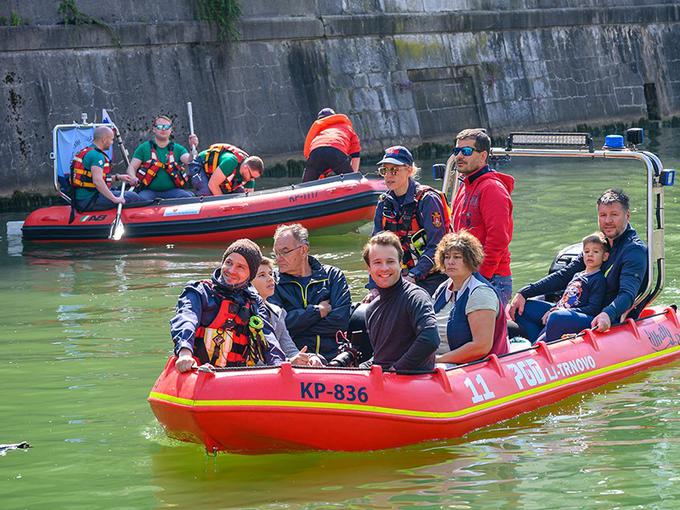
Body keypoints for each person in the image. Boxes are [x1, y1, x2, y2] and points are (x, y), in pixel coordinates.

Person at [509, 189, 648, 337]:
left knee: (558, 317)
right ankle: (536, 347)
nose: (608, 221)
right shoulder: (601, 243)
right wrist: (525, 292)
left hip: (601, 317)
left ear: (627, 216)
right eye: (603, 215)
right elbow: (565, 275)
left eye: (614, 215)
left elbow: (627, 294)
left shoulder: (634, 250)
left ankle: (541, 347)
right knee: (523, 308)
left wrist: (608, 313)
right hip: (578, 308)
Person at [171, 239, 285, 372]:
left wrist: (280, 365)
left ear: (250, 275)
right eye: (228, 263)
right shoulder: (199, 291)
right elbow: (186, 318)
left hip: (234, 378)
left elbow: (268, 337)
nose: (231, 270)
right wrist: (185, 352)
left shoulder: (254, 302)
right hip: (196, 371)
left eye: (240, 267)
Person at [371, 145, 450, 296]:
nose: (388, 175)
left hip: (432, 278)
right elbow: (375, 250)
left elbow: (438, 245)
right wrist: (374, 287)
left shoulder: (427, 200)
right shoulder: (383, 203)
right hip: (398, 277)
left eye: (394, 170)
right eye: (384, 171)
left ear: (409, 170)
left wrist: (413, 275)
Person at [269, 223, 352, 361]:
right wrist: (317, 312)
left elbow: (340, 321)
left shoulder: (333, 276)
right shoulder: (272, 282)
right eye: (276, 253)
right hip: (295, 359)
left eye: (284, 251)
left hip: (334, 359)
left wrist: (297, 323)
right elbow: (278, 326)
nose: (278, 258)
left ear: (303, 250)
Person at [451, 128, 514, 304]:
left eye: (467, 151)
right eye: (457, 151)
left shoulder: (492, 189)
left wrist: (480, 277)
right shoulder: (465, 186)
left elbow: (499, 239)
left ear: (483, 155)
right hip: (466, 276)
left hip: (491, 279)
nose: (459, 156)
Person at [363, 231, 439, 372]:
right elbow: (382, 356)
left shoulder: (416, 297)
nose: (384, 268)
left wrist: (396, 369)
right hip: (384, 382)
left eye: (390, 261)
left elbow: (430, 339)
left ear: (400, 264)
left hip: (414, 384)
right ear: (369, 269)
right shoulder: (371, 309)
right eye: (377, 262)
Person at [512, 233, 609, 343]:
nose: (590, 255)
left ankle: (539, 348)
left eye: (595, 252)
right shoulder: (578, 275)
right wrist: (550, 309)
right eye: (586, 252)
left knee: (556, 317)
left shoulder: (598, 280)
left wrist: (561, 311)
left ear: (605, 256)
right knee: (524, 308)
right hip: (559, 310)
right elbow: (564, 298)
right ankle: (529, 345)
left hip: (573, 315)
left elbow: (593, 309)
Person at [432, 231, 509, 364]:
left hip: (469, 367)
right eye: (446, 256)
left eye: (457, 257)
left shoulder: (480, 293)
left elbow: (481, 347)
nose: (450, 262)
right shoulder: (443, 288)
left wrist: (438, 360)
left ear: (470, 259)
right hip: (438, 359)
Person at [251, 257, 324, 366]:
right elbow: (255, 361)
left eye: (270, 274)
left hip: (280, 368)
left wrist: (307, 358)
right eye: (262, 275)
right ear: (248, 282)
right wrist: (289, 362)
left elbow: (290, 349)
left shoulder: (278, 312)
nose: (270, 279)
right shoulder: (245, 312)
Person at [126, 114, 199, 200]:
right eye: (160, 126)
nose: (163, 129)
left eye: (166, 127)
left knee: (187, 197)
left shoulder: (178, 149)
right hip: (149, 191)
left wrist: (193, 148)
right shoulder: (143, 148)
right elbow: (132, 168)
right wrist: (133, 177)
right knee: (140, 200)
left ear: (171, 129)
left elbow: (189, 160)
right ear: (154, 129)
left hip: (173, 191)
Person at [71, 126, 142, 211]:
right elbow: (97, 181)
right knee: (133, 196)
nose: (112, 142)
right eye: (111, 139)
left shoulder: (88, 151)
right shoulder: (97, 156)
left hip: (82, 198)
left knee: (125, 193)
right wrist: (114, 199)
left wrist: (117, 177)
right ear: (104, 140)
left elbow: (92, 178)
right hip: (90, 200)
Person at [301, 108, 361, 182]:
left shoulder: (317, 131)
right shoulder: (347, 127)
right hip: (336, 152)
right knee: (351, 181)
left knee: (306, 186)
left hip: (316, 152)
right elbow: (355, 154)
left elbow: (308, 153)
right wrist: (354, 177)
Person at [188, 143, 264, 196]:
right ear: (245, 167)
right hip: (200, 165)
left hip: (217, 173)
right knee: (208, 193)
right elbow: (213, 185)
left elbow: (249, 196)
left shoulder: (250, 177)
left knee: (240, 192)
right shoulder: (230, 162)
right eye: (251, 177)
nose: (251, 179)